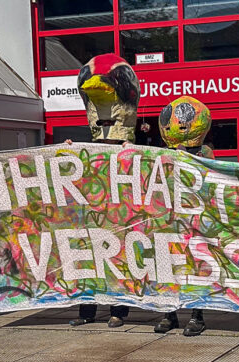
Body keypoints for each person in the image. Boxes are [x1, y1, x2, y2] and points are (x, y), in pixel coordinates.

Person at [66, 53, 141, 328]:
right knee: (88, 260)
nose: (106, 123)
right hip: (92, 216)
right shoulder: (88, 149)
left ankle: (118, 310)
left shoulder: (131, 150)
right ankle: (86, 309)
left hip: (119, 217)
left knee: (117, 258)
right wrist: (66, 154)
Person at [152, 96, 214, 336]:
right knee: (168, 269)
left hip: (195, 221)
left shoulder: (204, 151)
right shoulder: (162, 153)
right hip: (168, 220)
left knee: (194, 269)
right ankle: (169, 314)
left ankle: (197, 315)